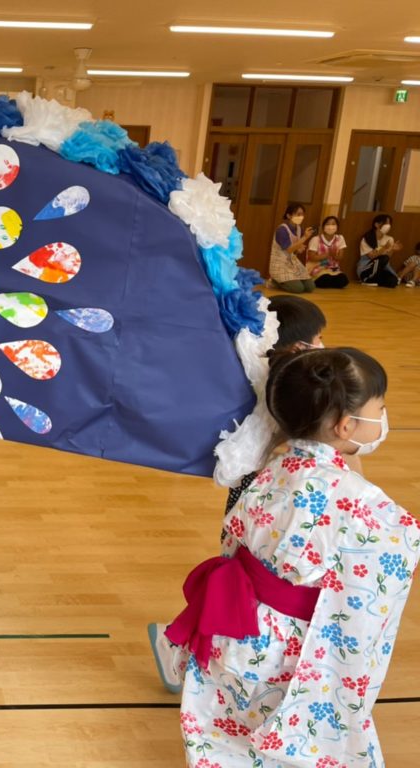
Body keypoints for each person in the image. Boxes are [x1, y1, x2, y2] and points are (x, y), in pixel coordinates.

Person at [151, 348, 416, 767]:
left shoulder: (269, 471)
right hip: (290, 648)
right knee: (294, 739)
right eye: (378, 409)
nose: (382, 418)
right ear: (347, 425)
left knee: (235, 730)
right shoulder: (353, 498)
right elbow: (399, 542)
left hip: (239, 630)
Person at [222, 295, 327, 515]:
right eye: (319, 337)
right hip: (275, 486)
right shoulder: (289, 385)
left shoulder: (258, 372)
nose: (322, 344)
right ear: (299, 347)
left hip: (255, 485)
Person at [269, 204, 315, 293]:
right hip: (280, 264)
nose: (301, 217)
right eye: (298, 214)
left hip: (293, 262)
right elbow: (289, 249)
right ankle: (275, 281)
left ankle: (286, 281)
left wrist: (299, 249)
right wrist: (305, 237)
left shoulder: (299, 229)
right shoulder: (281, 230)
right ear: (289, 215)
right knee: (298, 289)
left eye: (302, 214)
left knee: (310, 287)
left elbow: (296, 247)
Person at [357, 214, 401, 288]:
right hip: (366, 268)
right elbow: (372, 256)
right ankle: (366, 280)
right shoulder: (367, 238)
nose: (388, 225)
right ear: (376, 224)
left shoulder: (390, 239)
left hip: (381, 269)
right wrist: (384, 248)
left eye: (389, 223)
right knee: (383, 258)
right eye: (386, 223)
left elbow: (388, 257)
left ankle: (374, 280)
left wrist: (392, 249)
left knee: (393, 281)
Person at [305, 215, 349, 289]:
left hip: (333, 269)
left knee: (343, 280)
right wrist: (328, 254)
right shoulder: (316, 239)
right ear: (323, 227)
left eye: (333, 224)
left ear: (337, 227)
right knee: (325, 279)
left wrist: (334, 255)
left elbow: (340, 257)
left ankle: (331, 281)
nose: (330, 227)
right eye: (328, 224)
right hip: (318, 268)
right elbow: (311, 257)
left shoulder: (340, 238)